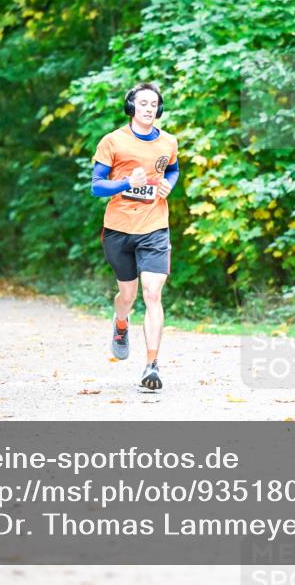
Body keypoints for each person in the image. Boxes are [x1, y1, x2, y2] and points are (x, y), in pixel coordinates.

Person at [91, 83, 180, 390]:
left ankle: (152, 366)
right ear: (131, 106)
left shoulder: (168, 141)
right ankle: (120, 323)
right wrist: (126, 182)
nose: (148, 108)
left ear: (159, 108)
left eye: (153, 104)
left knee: (152, 294)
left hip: (155, 226)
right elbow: (96, 186)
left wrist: (170, 183)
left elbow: (173, 169)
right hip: (118, 228)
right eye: (142, 103)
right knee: (127, 296)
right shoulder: (113, 141)